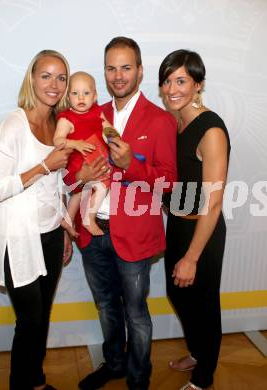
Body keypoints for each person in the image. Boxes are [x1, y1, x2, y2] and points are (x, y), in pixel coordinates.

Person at [64, 37, 177, 390]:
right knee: (105, 307)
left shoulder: (159, 120)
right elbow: (71, 168)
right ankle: (113, 364)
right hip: (92, 230)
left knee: (136, 314)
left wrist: (132, 167)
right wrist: (76, 179)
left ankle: (139, 378)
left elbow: (169, 184)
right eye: (111, 68)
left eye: (126, 67)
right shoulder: (93, 114)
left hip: (135, 235)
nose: (118, 75)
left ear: (140, 71)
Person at [0, 49, 73, 390]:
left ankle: (36, 382)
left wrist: (66, 229)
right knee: (29, 320)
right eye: (46, 75)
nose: (54, 84)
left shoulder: (60, 124)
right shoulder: (13, 123)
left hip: (52, 235)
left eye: (61, 77)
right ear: (32, 78)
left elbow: (58, 187)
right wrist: (44, 165)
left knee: (43, 318)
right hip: (19, 240)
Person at [159, 49, 230, 390]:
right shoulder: (174, 121)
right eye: (167, 80)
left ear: (198, 85)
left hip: (204, 230)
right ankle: (200, 352)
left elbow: (213, 203)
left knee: (203, 303)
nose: (172, 88)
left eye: (181, 80)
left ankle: (204, 376)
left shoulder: (211, 130)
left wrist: (192, 257)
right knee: (177, 293)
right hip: (178, 223)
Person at [53, 71, 112, 237]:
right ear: (68, 97)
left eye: (86, 93)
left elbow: (108, 129)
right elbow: (57, 140)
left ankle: (67, 219)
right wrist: (75, 143)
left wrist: (115, 138)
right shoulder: (66, 119)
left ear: (94, 96)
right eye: (75, 93)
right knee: (102, 186)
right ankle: (89, 217)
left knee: (79, 193)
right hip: (77, 164)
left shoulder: (97, 113)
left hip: (94, 159)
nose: (80, 98)